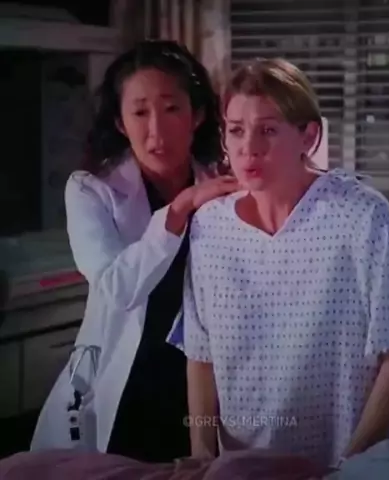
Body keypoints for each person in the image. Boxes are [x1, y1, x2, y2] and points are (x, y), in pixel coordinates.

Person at [175, 58, 389, 471]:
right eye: (236, 130)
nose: (248, 148)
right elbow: (200, 355)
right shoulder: (210, 227)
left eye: (268, 130)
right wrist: (203, 458)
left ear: (308, 136)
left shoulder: (361, 215)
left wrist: (351, 463)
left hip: (350, 464)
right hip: (244, 467)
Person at [30, 40, 239, 462]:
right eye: (140, 112)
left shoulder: (222, 188)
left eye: (171, 109)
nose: (156, 131)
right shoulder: (91, 190)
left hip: (202, 381)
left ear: (197, 114)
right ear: (121, 123)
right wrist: (178, 210)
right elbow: (115, 289)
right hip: (125, 380)